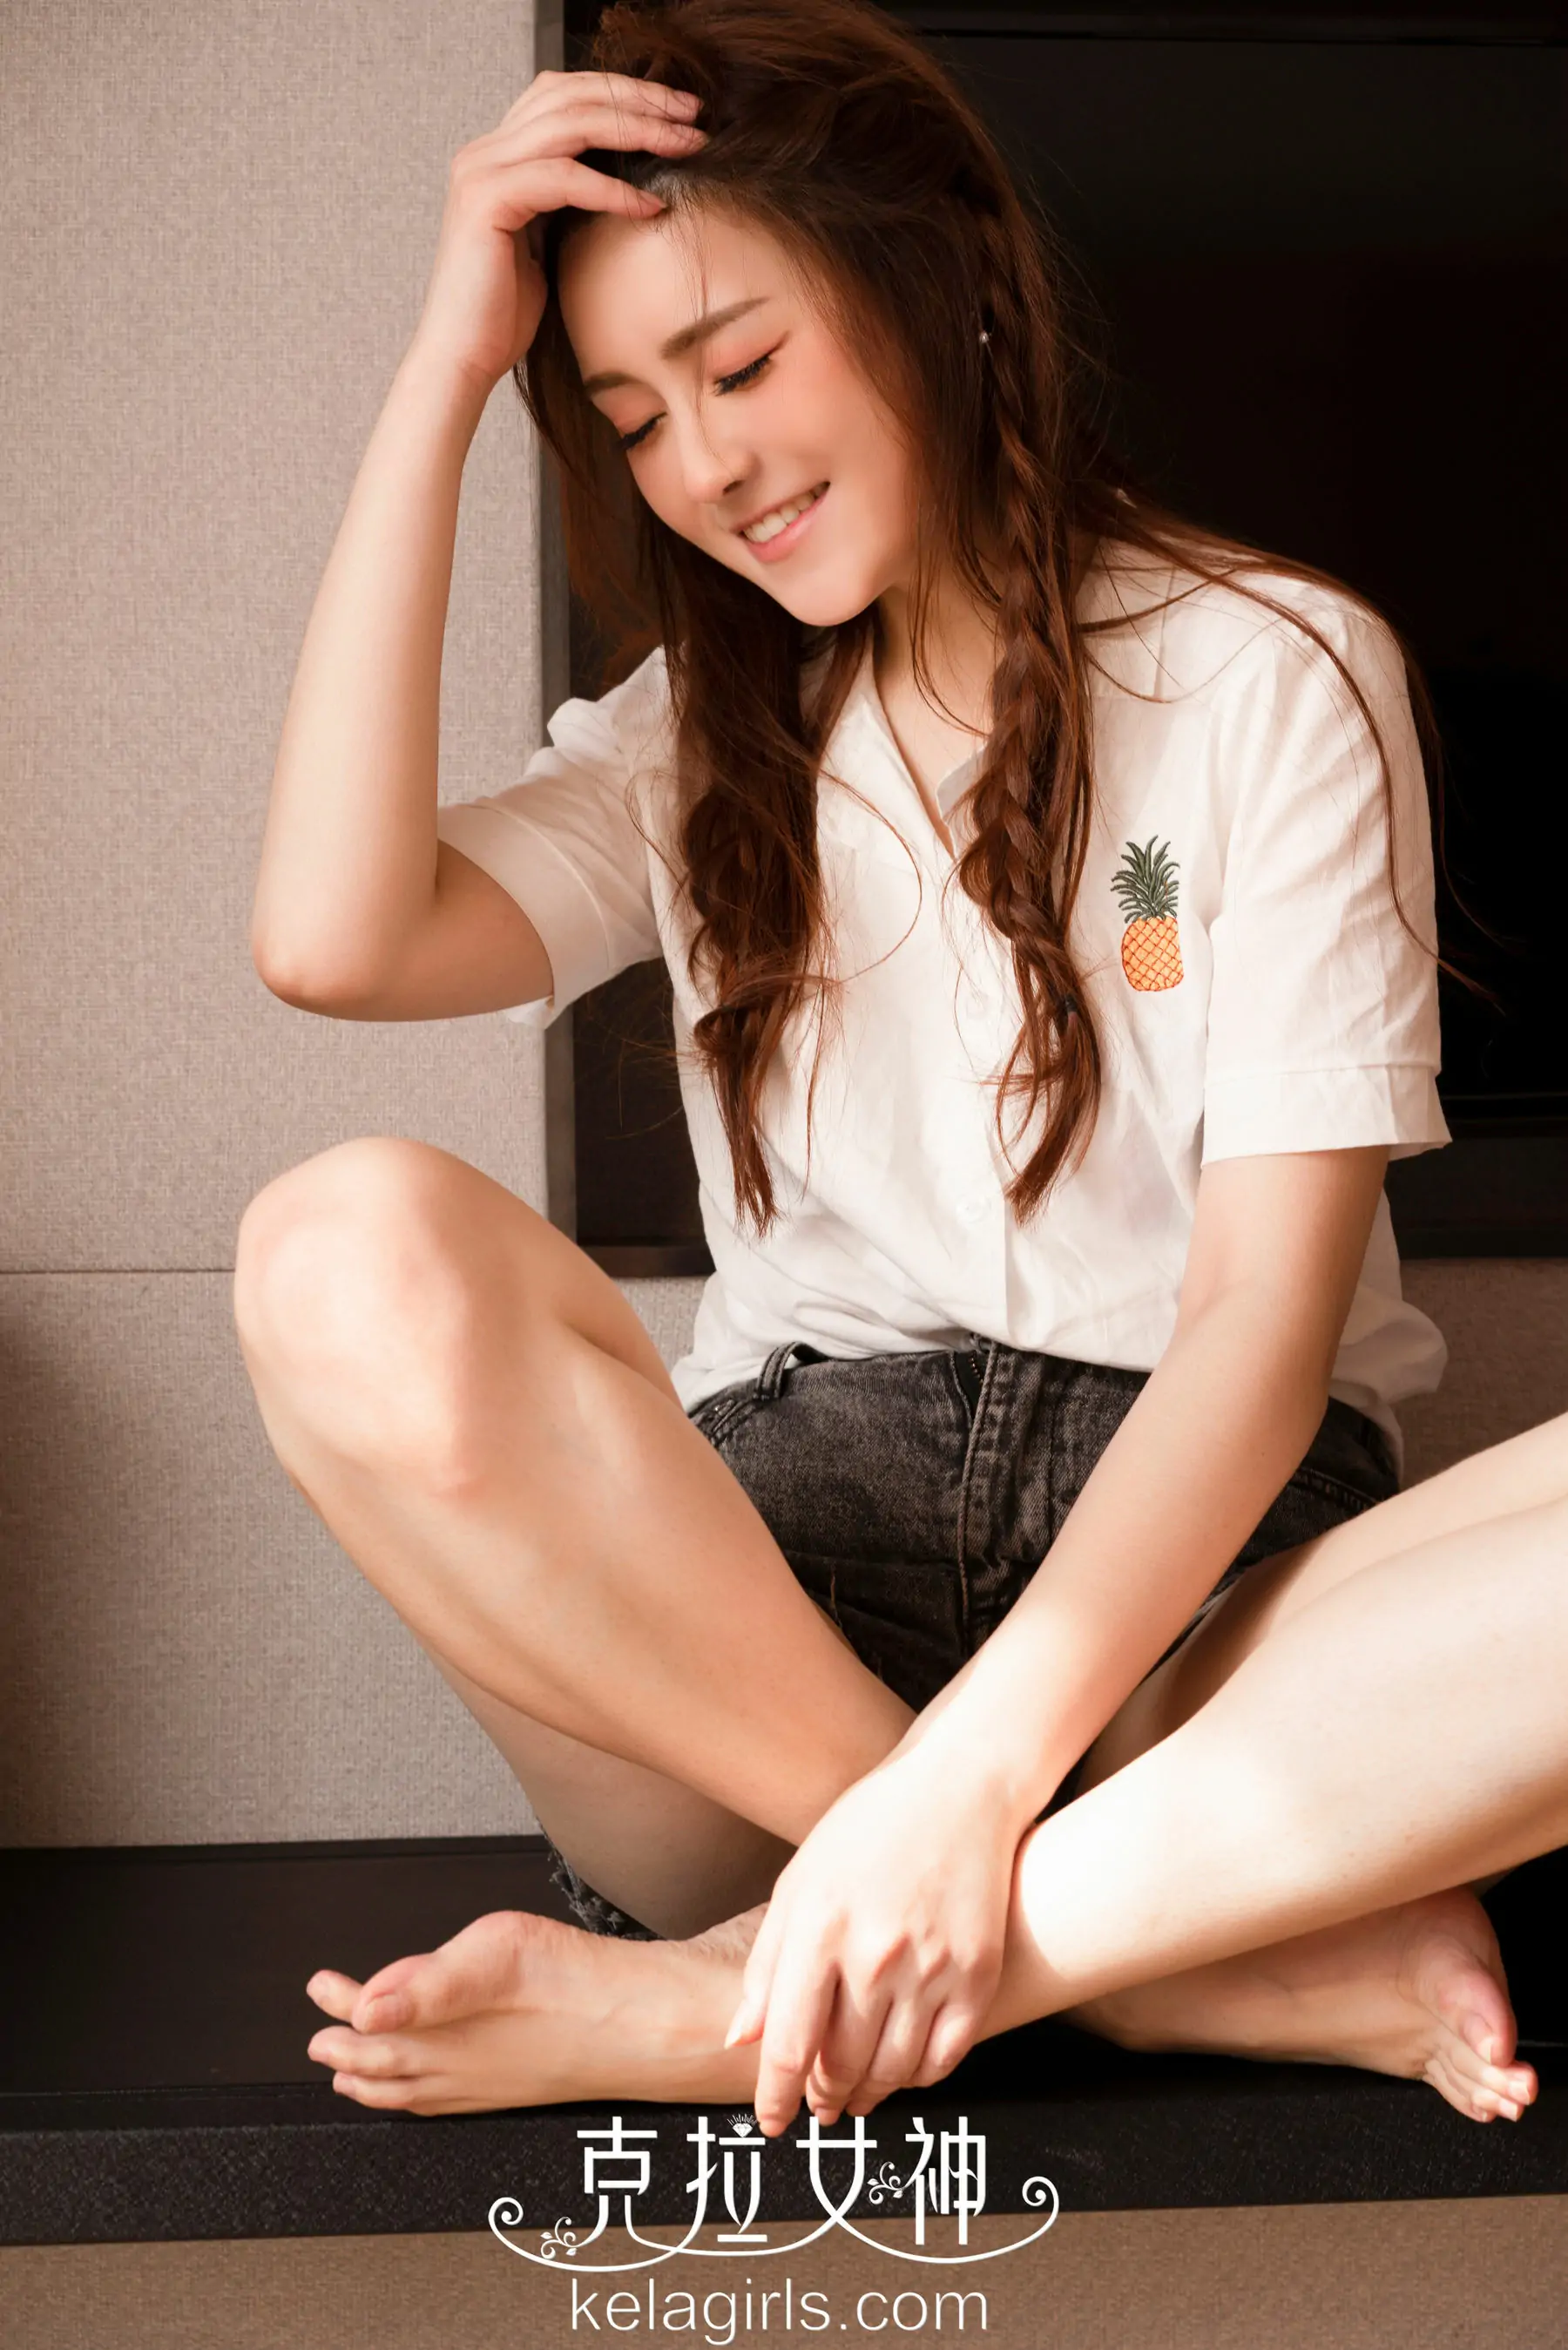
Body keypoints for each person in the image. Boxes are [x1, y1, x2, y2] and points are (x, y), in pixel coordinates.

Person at [238, 0, 1558, 2137]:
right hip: (757, 1627)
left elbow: (1259, 1324)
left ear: (937, 282)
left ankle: (752, 1996)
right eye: (634, 418)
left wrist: (977, 1779)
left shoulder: (1270, 675)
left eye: (742, 363)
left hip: (1201, 1625)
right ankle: (1142, 1958)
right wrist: (446, 369)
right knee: (333, 1247)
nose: (706, 465)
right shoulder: (692, 740)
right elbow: (332, 937)